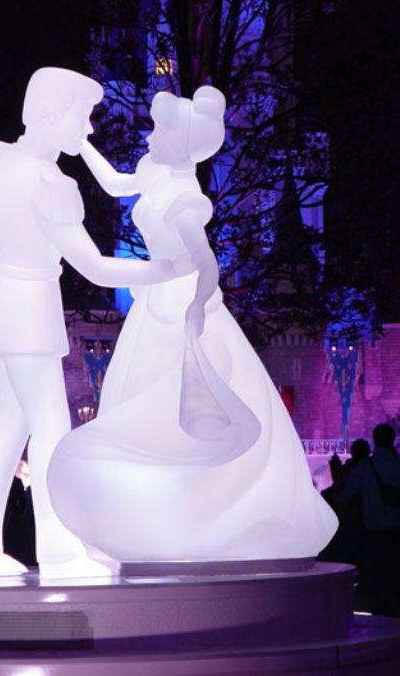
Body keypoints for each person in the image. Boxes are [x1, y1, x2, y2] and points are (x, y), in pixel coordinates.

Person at [47, 86, 338, 562]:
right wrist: (83, 147)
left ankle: (205, 516)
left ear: (181, 145)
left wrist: (198, 306)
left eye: (159, 130)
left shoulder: (185, 198)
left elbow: (206, 265)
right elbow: (117, 185)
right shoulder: (154, 169)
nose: (149, 137)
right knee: (141, 403)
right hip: (152, 304)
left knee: (182, 408)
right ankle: (153, 521)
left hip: (179, 301)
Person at [0, 68, 184, 578]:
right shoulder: (49, 183)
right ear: (54, 114)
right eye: (83, 116)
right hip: (32, 305)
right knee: (49, 429)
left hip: (6, 299)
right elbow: (95, 266)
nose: (89, 128)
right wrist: (165, 269)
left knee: (9, 425)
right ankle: (59, 552)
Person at [340, 424, 400, 615]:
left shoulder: (366, 466)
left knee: (375, 579)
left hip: (372, 534)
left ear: (374, 440)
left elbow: (346, 495)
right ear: (392, 439)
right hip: (396, 533)